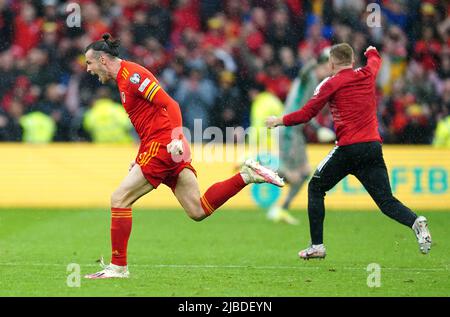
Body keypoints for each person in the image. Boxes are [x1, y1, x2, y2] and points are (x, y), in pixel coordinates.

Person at [84, 34, 284, 279]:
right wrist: (139, 156)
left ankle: (118, 267)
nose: (88, 69)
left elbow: (171, 105)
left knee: (119, 199)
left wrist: (176, 138)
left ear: (103, 60)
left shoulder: (133, 76)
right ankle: (246, 175)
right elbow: (148, 121)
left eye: (89, 63)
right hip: (159, 146)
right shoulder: (123, 80)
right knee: (197, 210)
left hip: (164, 146)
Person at [265, 43, 432, 259]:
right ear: (352, 62)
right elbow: (375, 60)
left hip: (348, 149)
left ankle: (317, 245)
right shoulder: (366, 73)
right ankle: (415, 222)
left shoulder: (331, 83)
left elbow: (307, 113)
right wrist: (371, 50)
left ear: (331, 63)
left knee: (316, 187)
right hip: (372, 148)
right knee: (386, 201)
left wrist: (279, 120)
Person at [267, 48, 335, 225]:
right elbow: (303, 72)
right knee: (290, 174)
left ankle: (282, 208)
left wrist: (317, 128)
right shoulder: (309, 77)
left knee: (304, 173)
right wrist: (315, 60)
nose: (330, 71)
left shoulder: (315, 83)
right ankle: (254, 166)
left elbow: (304, 113)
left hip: (296, 131)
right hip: (289, 132)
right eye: (329, 65)